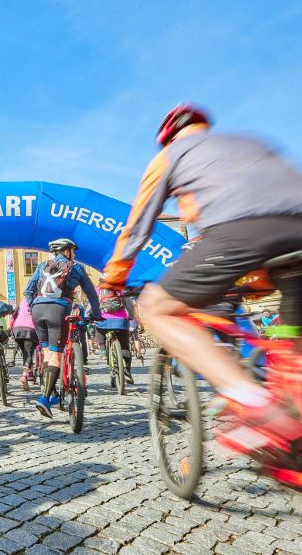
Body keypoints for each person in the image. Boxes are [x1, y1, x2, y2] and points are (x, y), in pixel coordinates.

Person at [102, 104, 302, 463]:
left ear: (168, 137)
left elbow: (138, 226)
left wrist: (115, 276)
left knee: (157, 309)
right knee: (293, 347)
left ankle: (257, 406)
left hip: (240, 233)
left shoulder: (171, 155)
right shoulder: (249, 143)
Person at [25, 238, 102, 418]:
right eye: (73, 251)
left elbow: (28, 290)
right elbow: (91, 294)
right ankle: (44, 399)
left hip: (38, 309)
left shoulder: (42, 266)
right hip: (58, 309)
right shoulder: (76, 267)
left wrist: (31, 306)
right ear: (67, 251)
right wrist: (96, 314)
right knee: (56, 355)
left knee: (47, 353)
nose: (74, 254)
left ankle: (51, 391)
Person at [95, 285, 135, 384]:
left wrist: (89, 316)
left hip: (103, 321)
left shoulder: (98, 290)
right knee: (125, 347)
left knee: (98, 328)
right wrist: (131, 316)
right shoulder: (120, 289)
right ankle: (127, 371)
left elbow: (92, 304)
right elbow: (129, 304)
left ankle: (103, 350)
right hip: (120, 321)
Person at [10, 296, 38, 391]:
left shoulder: (22, 301)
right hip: (29, 329)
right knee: (29, 355)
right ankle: (25, 375)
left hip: (17, 329)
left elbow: (14, 315)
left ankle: (29, 373)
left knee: (25, 354)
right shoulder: (37, 302)